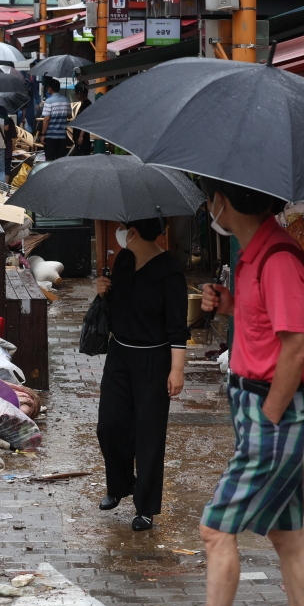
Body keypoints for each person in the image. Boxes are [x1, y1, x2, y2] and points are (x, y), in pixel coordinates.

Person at [198, 178, 304, 606]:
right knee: (287, 533)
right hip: (263, 412)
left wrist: (268, 421)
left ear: (223, 202)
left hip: (274, 414)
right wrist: (229, 305)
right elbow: (268, 325)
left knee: (215, 529)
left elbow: (296, 349)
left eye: (211, 198)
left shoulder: (278, 259)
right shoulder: (256, 254)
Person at [94, 217, 188, 532]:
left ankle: (145, 507)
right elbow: (116, 307)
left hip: (155, 360)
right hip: (120, 354)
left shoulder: (170, 273)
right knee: (109, 424)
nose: (120, 233)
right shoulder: (123, 260)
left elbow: (178, 328)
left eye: (124, 228)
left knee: (149, 435)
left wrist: (177, 370)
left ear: (132, 232)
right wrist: (102, 290)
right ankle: (120, 485)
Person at [38, 78, 72, 161]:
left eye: (47, 88)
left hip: (51, 137)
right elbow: (69, 116)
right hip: (62, 137)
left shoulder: (49, 101)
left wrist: (43, 134)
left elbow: (46, 118)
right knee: (60, 161)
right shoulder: (66, 100)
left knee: (50, 160)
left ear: (50, 89)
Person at [70, 81, 93, 156]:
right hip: (78, 136)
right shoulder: (83, 104)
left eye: (76, 93)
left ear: (80, 94)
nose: (75, 95)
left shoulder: (87, 104)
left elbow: (86, 121)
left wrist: (81, 135)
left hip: (83, 137)